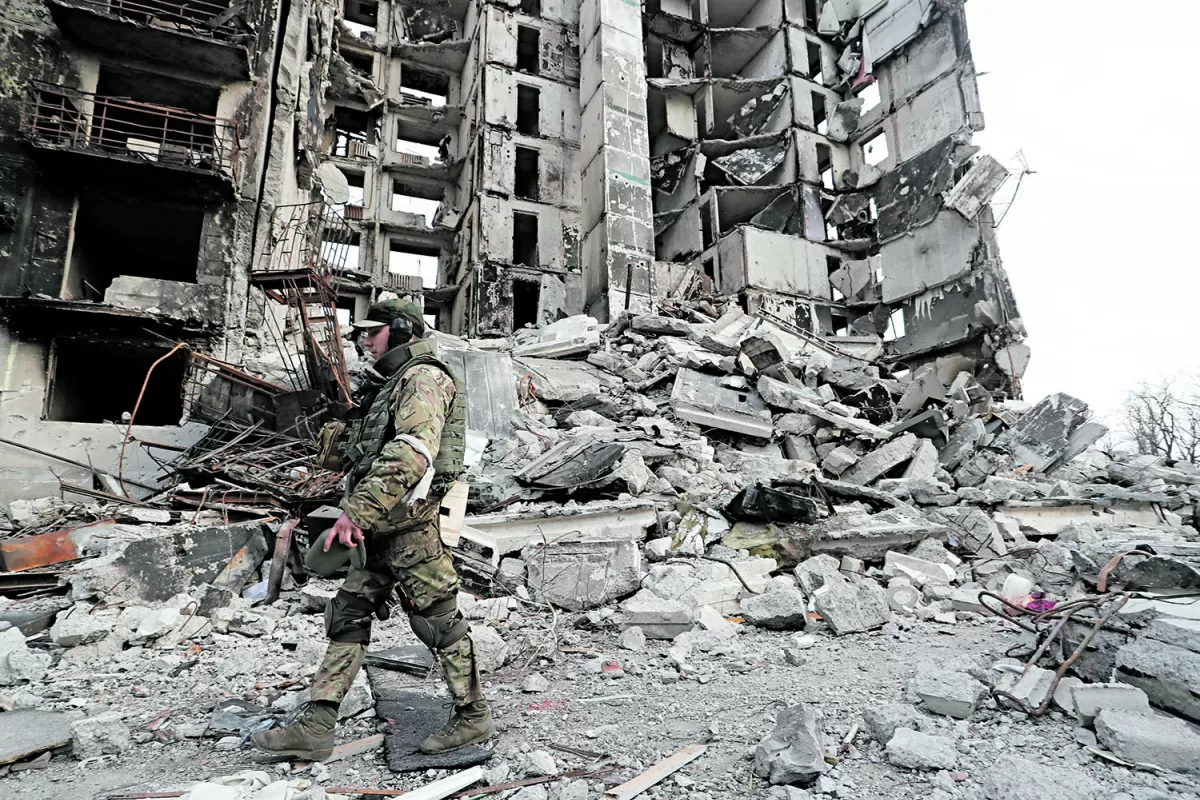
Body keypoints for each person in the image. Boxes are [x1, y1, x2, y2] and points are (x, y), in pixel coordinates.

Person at [251, 299, 492, 761]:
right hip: (379, 530)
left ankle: (473, 716)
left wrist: (356, 512)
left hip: (408, 529)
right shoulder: (389, 385)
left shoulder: (425, 377)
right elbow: (367, 452)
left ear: (400, 330)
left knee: (437, 621)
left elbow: (413, 451)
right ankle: (317, 726)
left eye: (372, 330)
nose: (363, 339)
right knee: (347, 616)